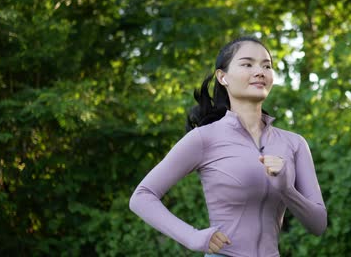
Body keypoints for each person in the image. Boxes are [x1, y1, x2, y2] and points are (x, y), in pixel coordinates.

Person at [129, 36, 326, 257]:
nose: (260, 71)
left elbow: (318, 224)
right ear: (223, 77)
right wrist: (193, 236)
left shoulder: (294, 143)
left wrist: (286, 188)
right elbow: (142, 196)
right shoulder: (204, 138)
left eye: (267, 65)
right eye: (247, 64)